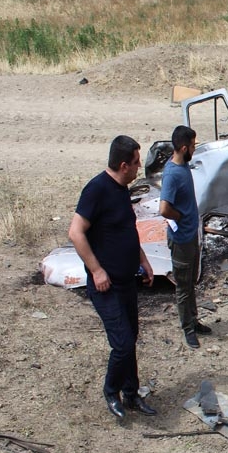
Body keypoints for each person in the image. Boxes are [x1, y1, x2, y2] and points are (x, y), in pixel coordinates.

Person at [69, 135, 157, 420]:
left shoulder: (121, 190)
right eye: (136, 162)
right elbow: (75, 233)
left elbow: (127, 231)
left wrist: (143, 260)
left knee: (131, 337)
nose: (139, 167)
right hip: (106, 286)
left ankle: (131, 394)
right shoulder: (97, 190)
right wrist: (96, 270)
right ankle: (111, 391)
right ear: (123, 165)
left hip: (127, 280)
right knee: (122, 343)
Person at [158, 125, 211, 349]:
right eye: (192, 145)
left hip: (190, 235)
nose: (194, 149)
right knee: (182, 286)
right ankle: (188, 329)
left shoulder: (183, 165)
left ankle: (194, 320)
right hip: (181, 240)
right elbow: (164, 209)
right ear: (183, 148)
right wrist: (179, 216)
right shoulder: (172, 174)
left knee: (191, 282)